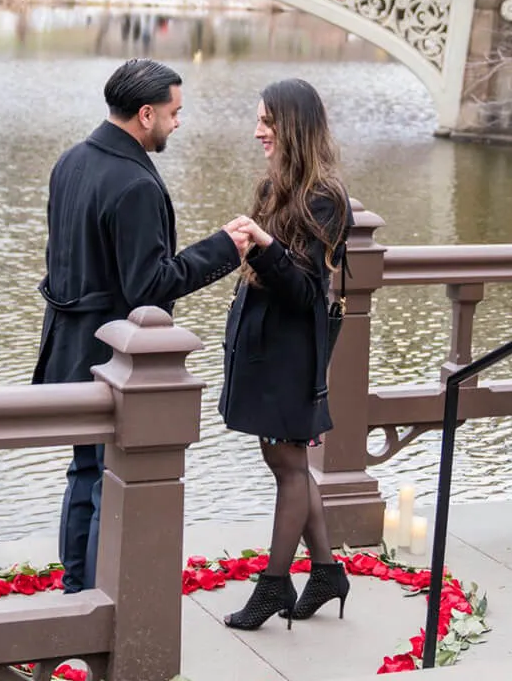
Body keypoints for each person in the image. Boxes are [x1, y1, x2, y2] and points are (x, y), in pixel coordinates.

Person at [33, 60, 248, 594]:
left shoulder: (71, 161)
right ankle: (100, 601)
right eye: (174, 113)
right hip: (112, 361)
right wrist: (226, 248)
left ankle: (75, 592)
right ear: (146, 113)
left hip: (66, 348)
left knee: (84, 473)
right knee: (110, 482)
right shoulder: (135, 184)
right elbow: (148, 285)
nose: (179, 123)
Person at [218, 80, 353, 630]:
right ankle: (326, 572)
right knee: (284, 462)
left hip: (292, 355)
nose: (257, 132)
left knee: (290, 467)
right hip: (264, 351)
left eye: (267, 123)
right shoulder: (274, 188)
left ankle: (273, 586)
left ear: (293, 126)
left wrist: (267, 248)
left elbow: (306, 294)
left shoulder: (326, 198)